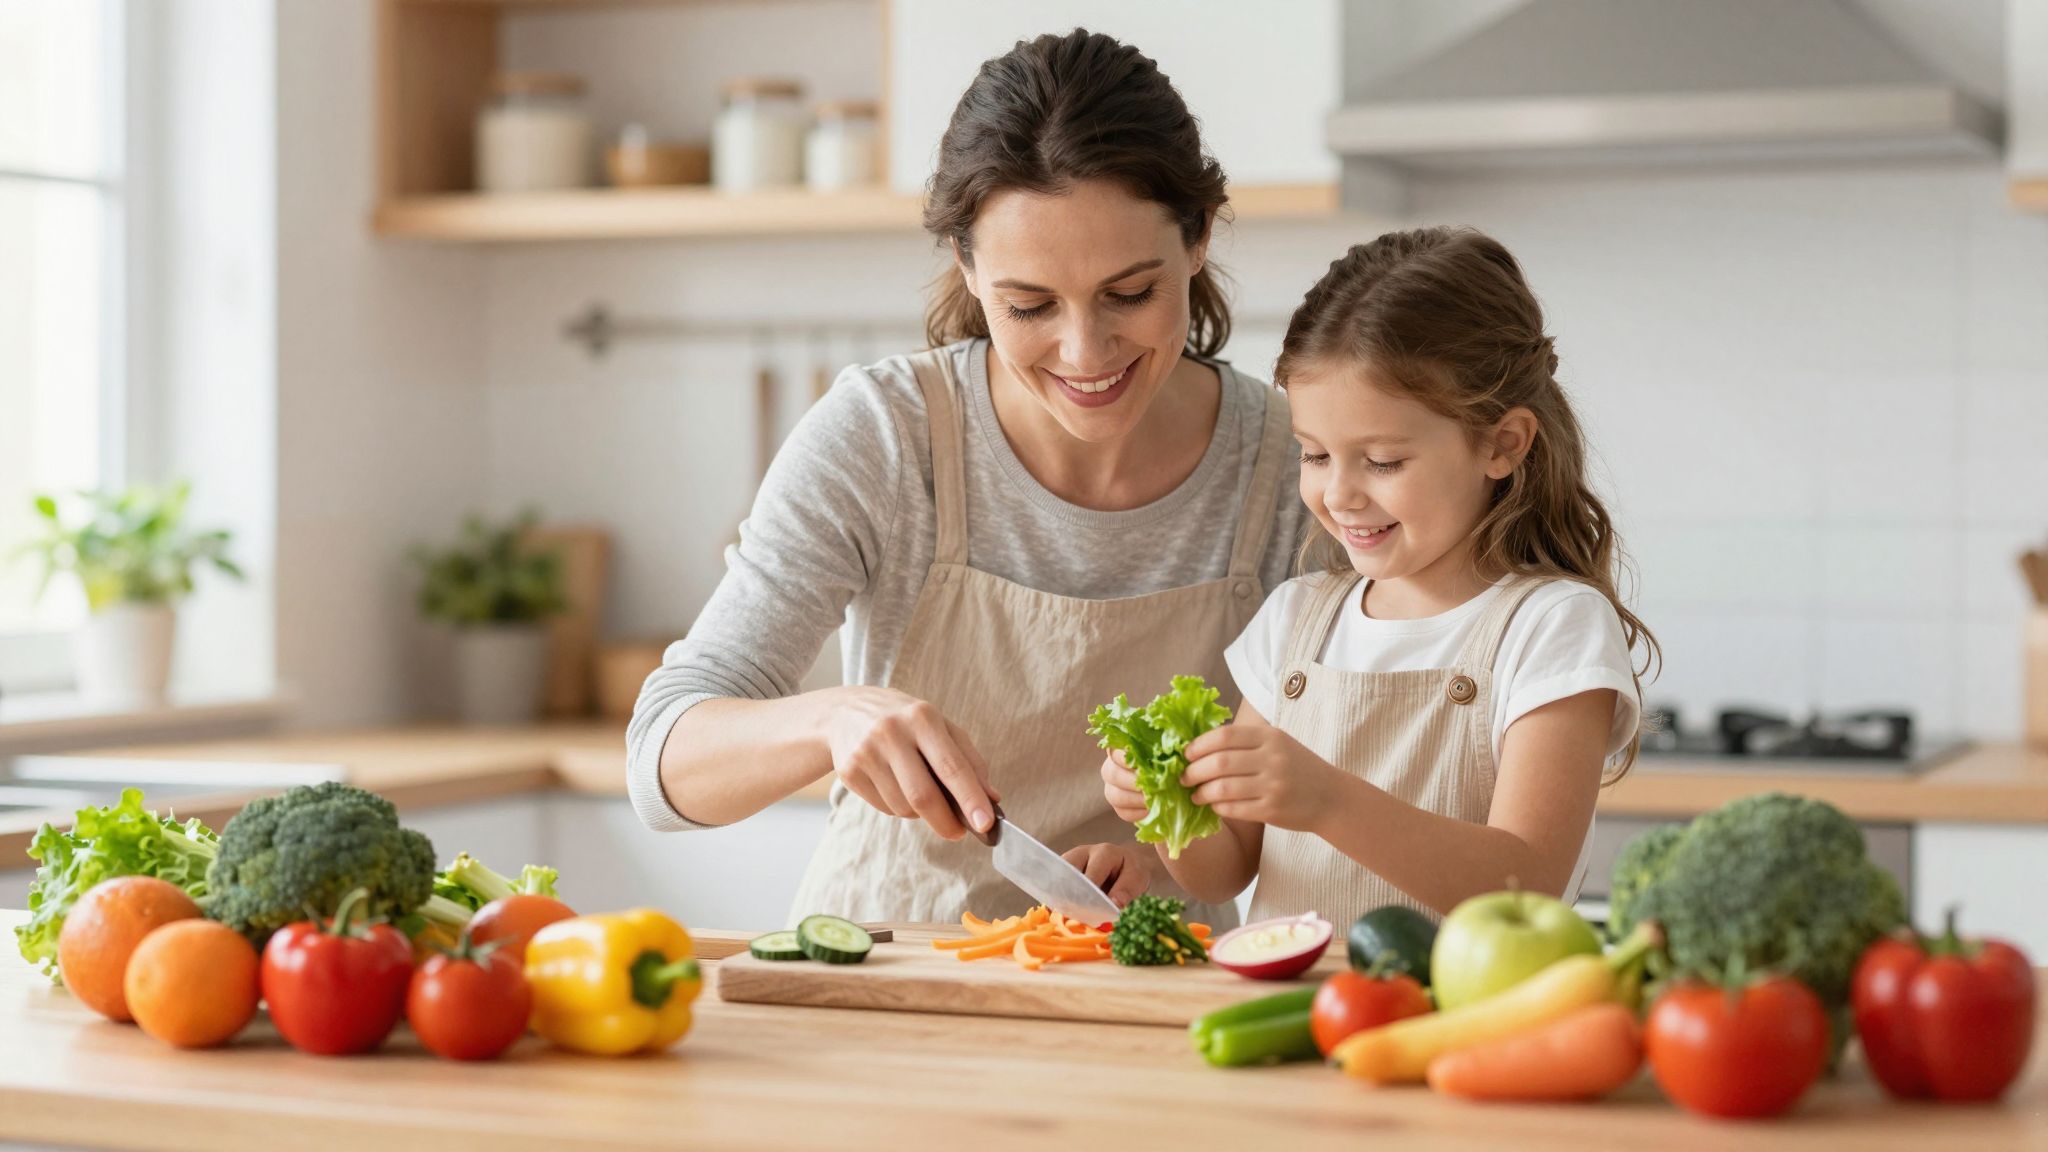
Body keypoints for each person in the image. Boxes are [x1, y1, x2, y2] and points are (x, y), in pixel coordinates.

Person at [626, 29, 1311, 925]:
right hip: (890, 977)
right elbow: (660, 764)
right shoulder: (886, 435)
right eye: (1029, 306)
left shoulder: (1295, 465)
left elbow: (1315, 798)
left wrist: (1164, 857)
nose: (1084, 351)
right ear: (967, 267)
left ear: (1198, 239)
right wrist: (830, 722)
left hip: (1150, 1002)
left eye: (1129, 294)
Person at [1103, 226, 1658, 920]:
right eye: (1314, 455)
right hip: (1291, 1020)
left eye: (1383, 461)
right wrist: (1167, 806)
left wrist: (1327, 799)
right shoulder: (1296, 617)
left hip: (1460, 1023)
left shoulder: (1551, 627)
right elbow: (1223, 871)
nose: (1340, 495)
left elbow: (1527, 884)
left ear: (1501, 444)